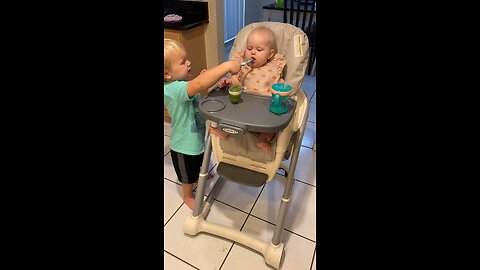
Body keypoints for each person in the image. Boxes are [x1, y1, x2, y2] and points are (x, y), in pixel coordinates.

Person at [164, 38, 241, 210]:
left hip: (196, 134)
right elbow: (198, 85)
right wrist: (227, 66)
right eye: (183, 62)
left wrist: (214, 81)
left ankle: (202, 173)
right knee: (187, 174)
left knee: (199, 156)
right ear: (167, 75)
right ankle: (187, 195)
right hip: (182, 145)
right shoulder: (171, 90)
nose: (189, 62)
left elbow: (199, 87)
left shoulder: (181, 85)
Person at [216, 26, 286, 153]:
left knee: (271, 126)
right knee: (227, 114)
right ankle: (224, 132)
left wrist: (282, 91)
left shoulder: (275, 67)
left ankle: (263, 139)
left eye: (259, 49)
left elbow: (280, 86)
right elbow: (234, 81)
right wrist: (227, 82)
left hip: (263, 109)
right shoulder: (242, 66)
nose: (252, 52)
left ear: (270, 54)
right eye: (249, 48)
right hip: (242, 105)